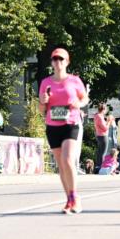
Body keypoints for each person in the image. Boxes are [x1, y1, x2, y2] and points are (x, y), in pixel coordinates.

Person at [38, 47, 89, 213]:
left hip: (71, 123)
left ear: (66, 62)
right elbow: (41, 109)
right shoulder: (46, 82)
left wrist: (78, 104)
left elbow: (84, 98)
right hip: (53, 126)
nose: (57, 62)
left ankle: (75, 198)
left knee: (68, 159)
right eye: (55, 59)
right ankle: (69, 199)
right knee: (61, 165)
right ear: (52, 62)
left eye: (61, 59)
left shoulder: (74, 81)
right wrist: (43, 101)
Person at [93, 103, 109, 171]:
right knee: (103, 152)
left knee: (99, 152)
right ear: (103, 109)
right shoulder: (100, 116)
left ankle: (98, 167)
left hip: (98, 135)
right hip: (103, 136)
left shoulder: (96, 116)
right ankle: (101, 168)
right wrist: (109, 121)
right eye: (106, 110)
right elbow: (105, 128)